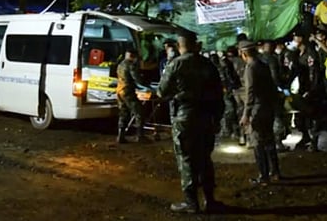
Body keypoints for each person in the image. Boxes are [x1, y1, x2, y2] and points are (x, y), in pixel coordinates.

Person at [157, 32, 224, 214]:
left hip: (184, 117)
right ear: (196, 45)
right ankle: (210, 200)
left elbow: (161, 92)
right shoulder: (208, 64)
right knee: (204, 159)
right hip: (206, 117)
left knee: (186, 159)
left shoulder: (176, 64)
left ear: (180, 46)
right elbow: (219, 94)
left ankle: (191, 202)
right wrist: (217, 118)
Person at [239, 40, 281, 185]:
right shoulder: (263, 65)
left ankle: (264, 176)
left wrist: (246, 114)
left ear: (243, 54)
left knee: (258, 142)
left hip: (257, 108)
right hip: (267, 107)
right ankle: (275, 172)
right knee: (269, 140)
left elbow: (250, 92)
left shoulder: (250, 68)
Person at [116, 47, 149, 144]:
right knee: (139, 112)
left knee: (123, 113)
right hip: (127, 91)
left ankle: (120, 136)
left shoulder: (120, 64)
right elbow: (137, 79)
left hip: (119, 91)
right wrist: (146, 83)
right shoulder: (131, 65)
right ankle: (140, 136)